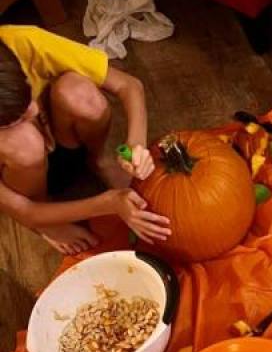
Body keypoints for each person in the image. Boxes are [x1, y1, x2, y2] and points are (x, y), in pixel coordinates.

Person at [0, 26, 170, 255]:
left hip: (63, 134)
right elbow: (24, 209)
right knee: (24, 142)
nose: (33, 110)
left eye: (28, 91)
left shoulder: (20, 41)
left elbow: (129, 85)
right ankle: (48, 216)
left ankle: (96, 160)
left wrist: (135, 143)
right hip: (21, 177)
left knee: (79, 93)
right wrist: (106, 203)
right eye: (14, 120)